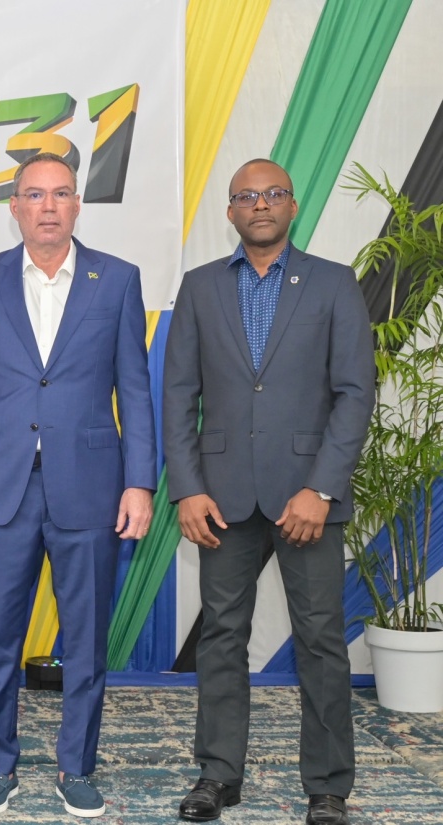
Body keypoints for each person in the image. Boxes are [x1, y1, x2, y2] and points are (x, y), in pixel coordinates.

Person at [0, 153, 155, 818]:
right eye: (35, 194)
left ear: (78, 204)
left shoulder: (117, 279)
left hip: (89, 486)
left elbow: (134, 390)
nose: (49, 206)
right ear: (15, 207)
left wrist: (140, 482)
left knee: (85, 639)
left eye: (61, 193)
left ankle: (76, 767)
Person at [164, 159, 375, 825]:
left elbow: (355, 393)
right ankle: (217, 774)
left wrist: (322, 487)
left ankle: (328, 785)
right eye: (247, 196)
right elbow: (178, 396)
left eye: (273, 193)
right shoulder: (200, 286)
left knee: (320, 640)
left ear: (292, 206)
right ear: (230, 211)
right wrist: (187, 489)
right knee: (222, 636)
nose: (260, 204)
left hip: (307, 498)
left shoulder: (334, 283)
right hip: (221, 497)